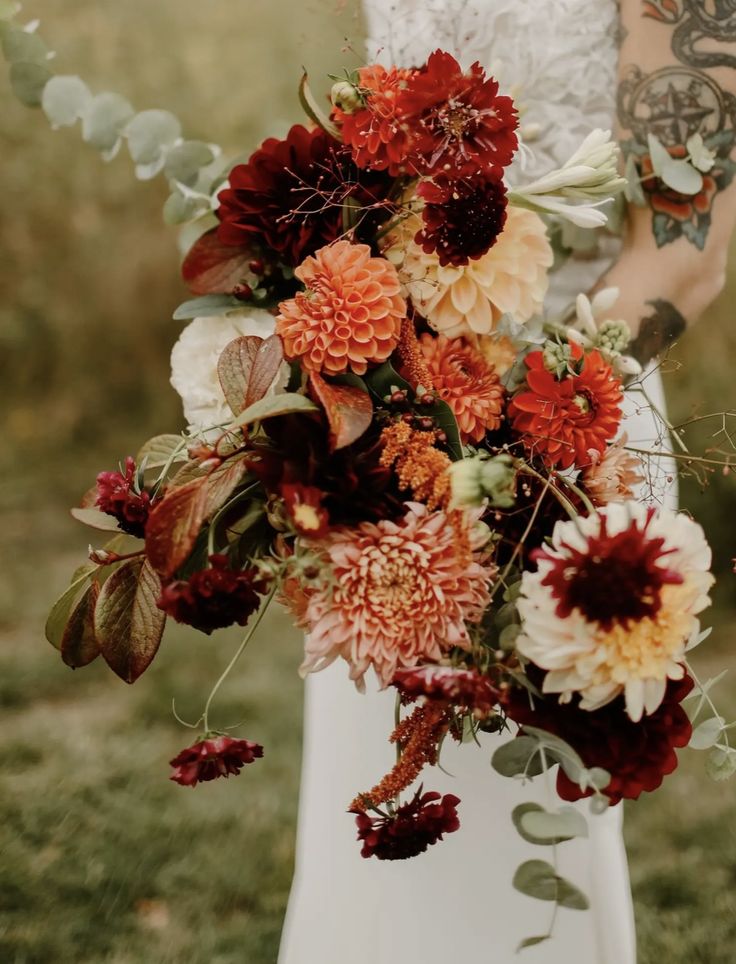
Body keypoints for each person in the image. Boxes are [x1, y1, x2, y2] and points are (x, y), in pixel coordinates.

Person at [278, 2, 736, 961]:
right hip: (397, 425)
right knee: (372, 825)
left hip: (570, 435)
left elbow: (689, 250)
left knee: (534, 829)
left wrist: (525, 421)